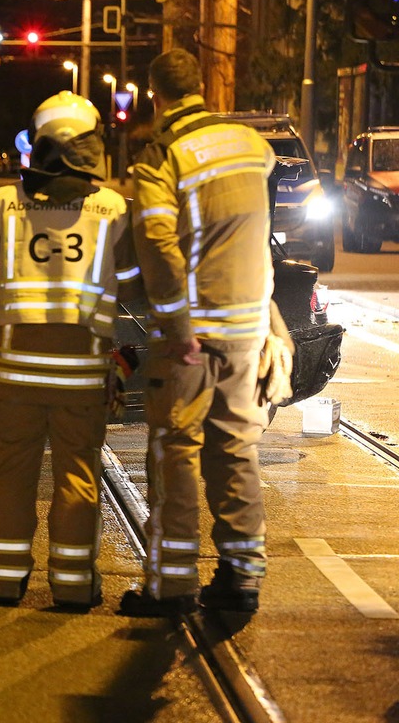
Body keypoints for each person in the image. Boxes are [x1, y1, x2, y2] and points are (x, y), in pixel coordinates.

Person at [118, 48, 290, 617]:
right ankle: (242, 579)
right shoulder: (252, 146)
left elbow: (158, 247)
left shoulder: (163, 159)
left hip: (192, 338)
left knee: (175, 456)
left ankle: (172, 586)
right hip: (247, 330)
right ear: (202, 88)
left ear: (155, 95)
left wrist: (177, 323)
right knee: (236, 451)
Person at [0, 91, 141, 609]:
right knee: (79, 476)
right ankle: (71, 584)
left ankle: (1, 579)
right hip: (83, 373)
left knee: (12, 471)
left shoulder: (2, 203)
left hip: (17, 370)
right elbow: (129, 283)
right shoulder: (112, 209)